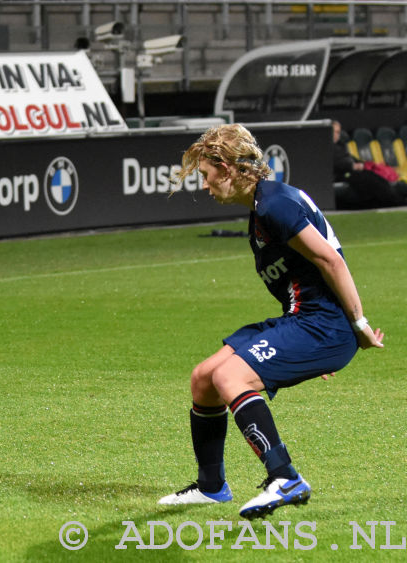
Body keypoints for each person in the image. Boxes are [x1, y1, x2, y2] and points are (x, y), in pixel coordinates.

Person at [159, 124, 384, 519]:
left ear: (227, 169)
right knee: (204, 378)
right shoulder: (265, 204)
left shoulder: (274, 205)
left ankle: (286, 477)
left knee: (231, 379)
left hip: (322, 324)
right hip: (304, 321)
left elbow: (331, 260)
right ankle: (212, 487)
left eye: (208, 176)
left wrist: (358, 325)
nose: (207, 187)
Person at [332, 120, 404, 209]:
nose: (336, 135)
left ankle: (394, 199)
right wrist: (352, 166)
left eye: (338, 132)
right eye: (334, 132)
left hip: (350, 172)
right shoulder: (325, 148)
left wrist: (362, 164)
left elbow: (350, 158)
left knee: (373, 176)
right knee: (367, 178)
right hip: (341, 174)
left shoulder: (339, 146)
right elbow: (334, 163)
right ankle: (395, 201)